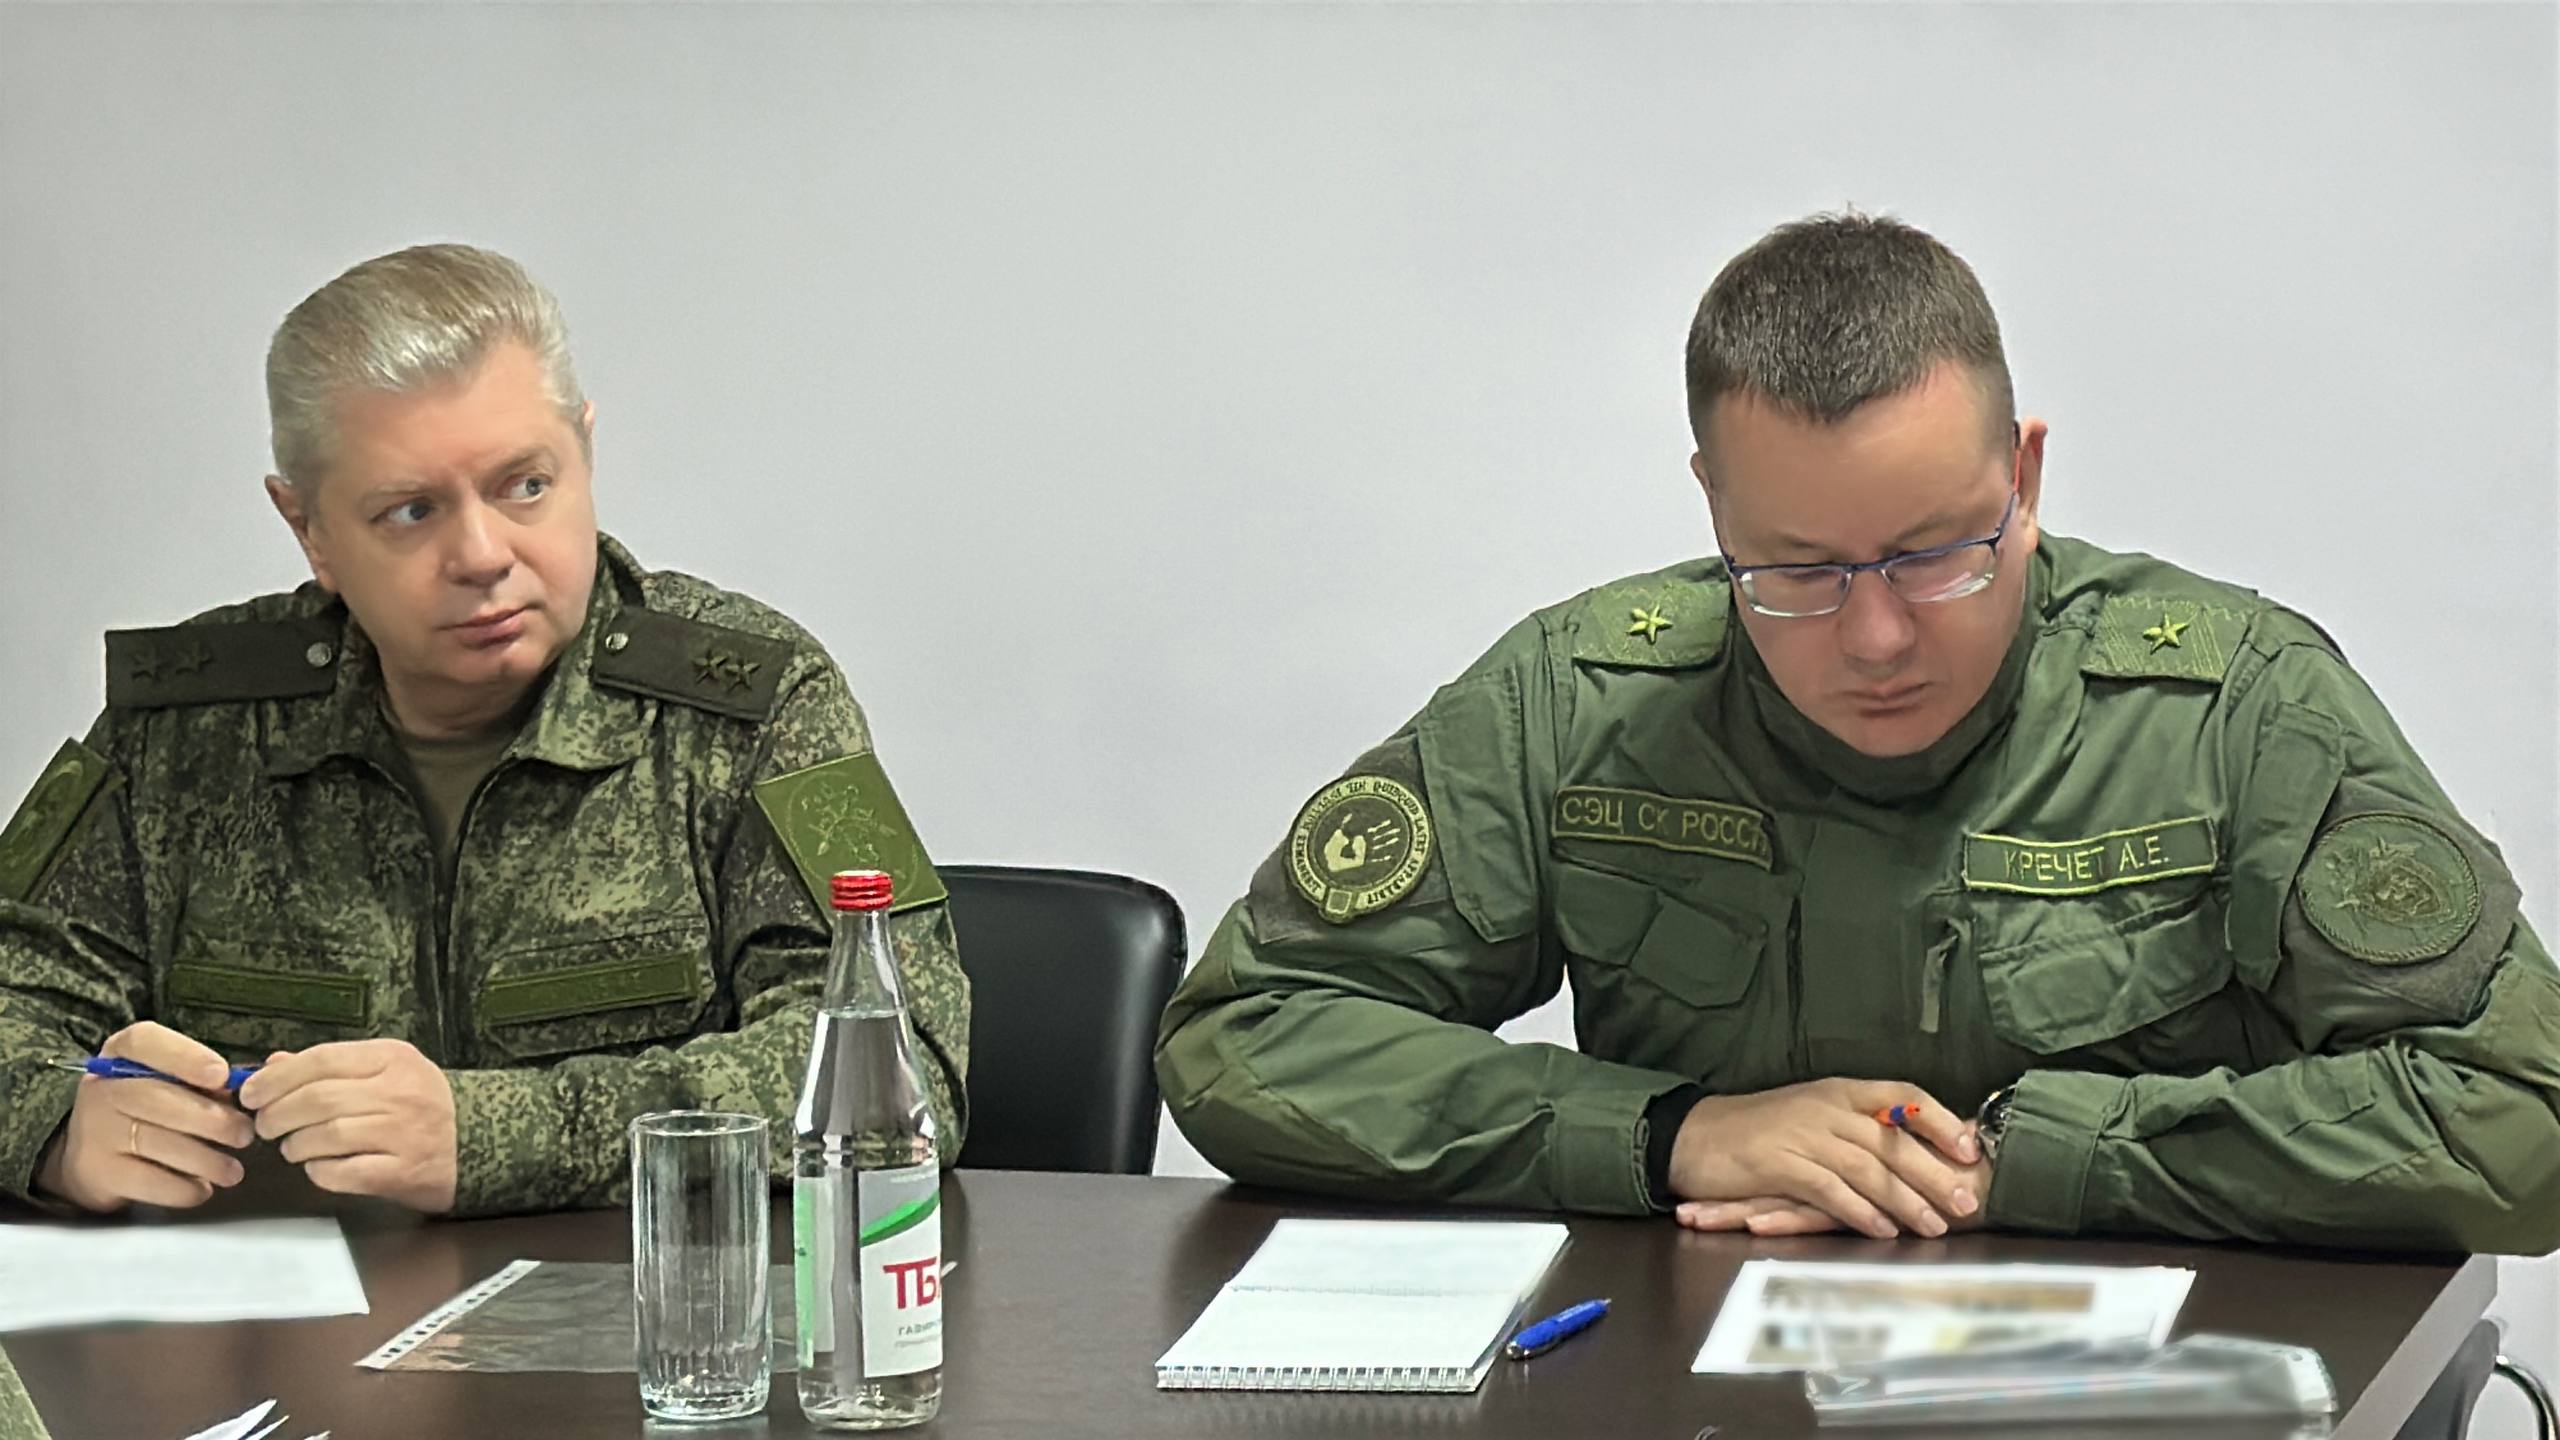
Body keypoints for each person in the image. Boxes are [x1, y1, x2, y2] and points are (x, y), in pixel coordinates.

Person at [1156, 212, 2560, 1256]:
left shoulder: (2236, 708)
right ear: (1712, 508)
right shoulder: (1580, 703)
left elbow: (2521, 1115)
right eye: (1797, 570)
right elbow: (1249, 1035)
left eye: (1936, 554)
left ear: (2024, 478)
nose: (1877, 636)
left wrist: (2029, 1162)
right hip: (1688, 1383)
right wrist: (1667, 1135)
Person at [0, 243, 969, 1217]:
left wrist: (503, 1134)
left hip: (642, 1304)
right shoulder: (185, 731)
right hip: (274, 1307)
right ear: (310, 531)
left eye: (526, 486)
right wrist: (54, 1126)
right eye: (410, 511)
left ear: (584, 454)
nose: (480, 554)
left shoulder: (754, 705)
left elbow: (902, 1061)